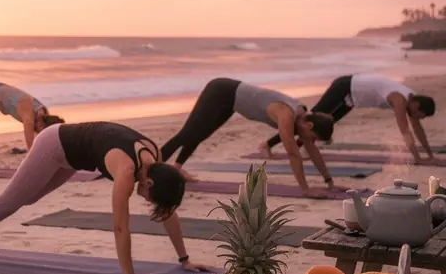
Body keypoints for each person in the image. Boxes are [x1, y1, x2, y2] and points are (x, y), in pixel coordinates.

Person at [0, 121, 208, 274]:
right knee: (9, 199)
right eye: (150, 200)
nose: (147, 202)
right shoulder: (126, 172)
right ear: (148, 185)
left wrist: (184, 260)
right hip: (53, 144)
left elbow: (168, 212)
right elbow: (120, 227)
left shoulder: (156, 162)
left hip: (74, 156)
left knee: (28, 198)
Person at [161, 78, 337, 196]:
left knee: (200, 133)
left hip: (232, 100)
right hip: (220, 91)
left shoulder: (303, 118)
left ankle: (177, 166)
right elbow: (293, 153)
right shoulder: (286, 115)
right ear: (309, 125)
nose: (311, 141)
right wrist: (305, 189)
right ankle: (153, 167)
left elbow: (313, 152)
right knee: (188, 133)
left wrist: (330, 182)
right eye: (313, 137)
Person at [262, 74, 436, 163]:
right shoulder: (400, 99)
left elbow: (417, 129)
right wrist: (418, 158)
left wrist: (429, 155)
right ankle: (267, 145)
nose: (419, 119)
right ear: (417, 106)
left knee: (320, 125)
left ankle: (301, 148)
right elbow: (405, 130)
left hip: (351, 99)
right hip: (345, 87)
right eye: (422, 115)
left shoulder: (409, 100)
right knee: (309, 121)